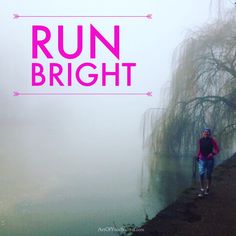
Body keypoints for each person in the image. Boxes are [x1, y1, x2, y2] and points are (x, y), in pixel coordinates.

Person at [196, 128, 220, 197]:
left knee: (208, 175)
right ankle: (202, 189)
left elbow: (217, 150)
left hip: (210, 159)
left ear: (209, 133)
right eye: (205, 132)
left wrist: (212, 153)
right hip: (202, 159)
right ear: (203, 133)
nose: (206, 133)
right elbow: (200, 150)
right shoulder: (200, 140)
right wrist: (198, 156)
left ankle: (208, 188)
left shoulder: (212, 140)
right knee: (201, 174)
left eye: (207, 132)